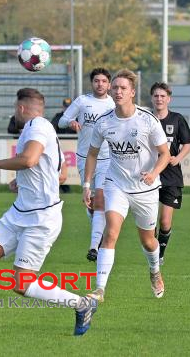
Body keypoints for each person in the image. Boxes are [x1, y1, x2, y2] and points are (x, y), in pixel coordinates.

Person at [0, 88, 98, 338]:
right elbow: (60, 173)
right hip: (20, 211)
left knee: (22, 285)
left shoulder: (37, 126)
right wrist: (23, 182)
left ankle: (81, 304)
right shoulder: (43, 129)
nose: (15, 112)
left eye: (15, 108)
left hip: (41, 219)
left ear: (21, 108)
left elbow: (30, 159)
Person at [83, 69, 170, 303]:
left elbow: (164, 153)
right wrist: (86, 184)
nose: (118, 91)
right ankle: (100, 289)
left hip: (145, 188)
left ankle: (154, 271)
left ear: (132, 92)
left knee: (148, 241)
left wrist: (153, 174)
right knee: (110, 232)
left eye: (123, 88)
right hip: (116, 185)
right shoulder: (104, 123)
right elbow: (91, 154)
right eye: (115, 88)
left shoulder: (147, 120)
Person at [58, 68, 115, 262]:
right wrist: (71, 122)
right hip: (84, 157)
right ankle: (98, 236)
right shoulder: (82, 101)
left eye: (104, 81)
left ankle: (94, 247)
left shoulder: (113, 103)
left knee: (100, 198)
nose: (100, 84)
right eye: (97, 81)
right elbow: (62, 121)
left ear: (109, 84)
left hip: (107, 158)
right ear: (92, 83)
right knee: (91, 202)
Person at [151, 82, 190, 265]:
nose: (159, 99)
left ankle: (161, 252)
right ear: (152, 98)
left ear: (169, 99)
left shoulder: (177, 119)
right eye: (156, 96)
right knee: (149, 221)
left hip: (171, 176)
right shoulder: (146, 119)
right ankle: (152, 252)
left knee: (165, 221)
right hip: (151, 174)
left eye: (162, 96)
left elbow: (187, 143)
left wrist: (178, 158)